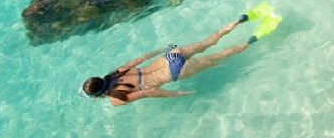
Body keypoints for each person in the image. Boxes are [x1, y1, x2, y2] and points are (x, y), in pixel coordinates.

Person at [79, 16, 256, 106]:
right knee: (209, 42)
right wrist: (162, 50)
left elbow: (151, 91)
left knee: (219, 56)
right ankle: (237, 21)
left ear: (95, 96)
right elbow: (140, 59)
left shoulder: (115, 100)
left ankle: (249, 41)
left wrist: (178, 94)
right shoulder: (115, 72)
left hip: (174, 72)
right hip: (168, 57)